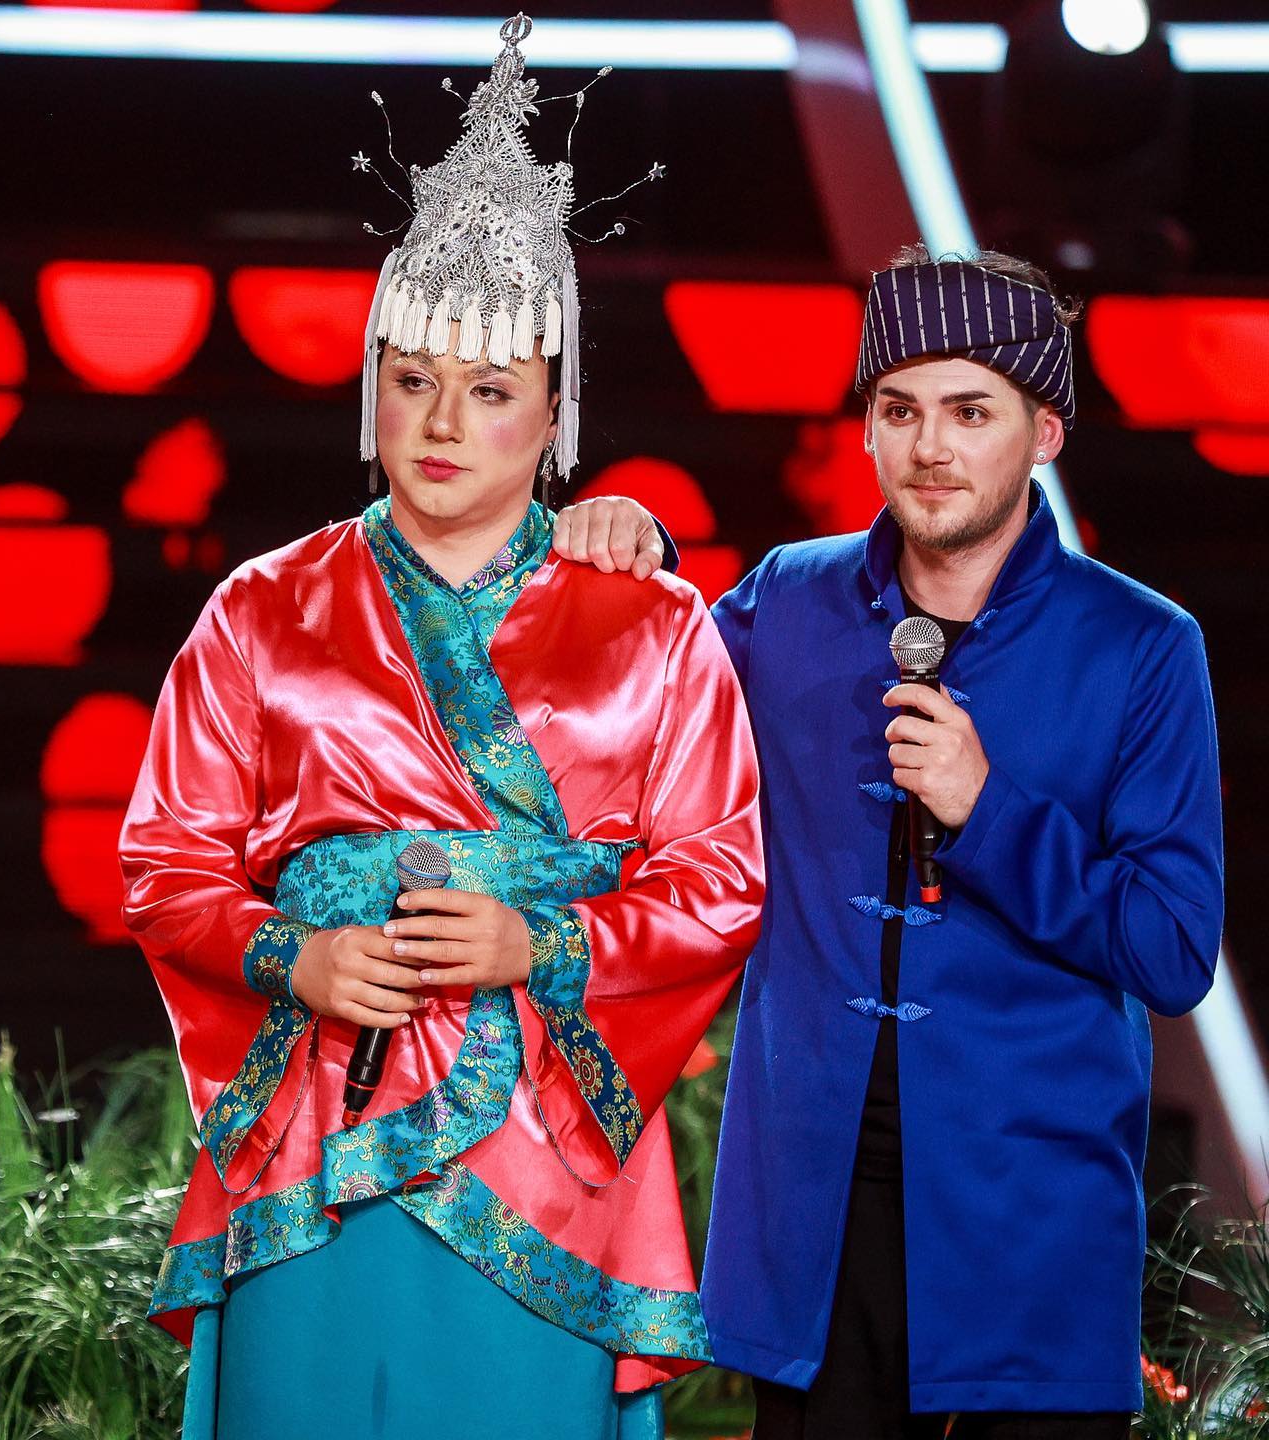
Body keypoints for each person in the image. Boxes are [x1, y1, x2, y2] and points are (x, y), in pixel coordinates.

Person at [118, 16, 763, 1440]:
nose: (443, 425)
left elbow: (720, 885)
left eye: (490, 391)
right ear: (372, 385)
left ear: (557, 411)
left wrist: (538, 944)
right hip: (313, 1133)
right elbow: (167, 866)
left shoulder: (657, 622)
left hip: (544, 1147)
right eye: (413, 380)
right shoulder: (259, 607)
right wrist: (297, 956)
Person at [553, 245, 1224, 1439]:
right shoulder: (783, 599)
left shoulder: (1142, 646)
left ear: (1045, 432)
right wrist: (628, 550)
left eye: (971, 412)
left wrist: (989, 810)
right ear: (865, 428)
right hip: (814, 1219)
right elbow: (616, 739)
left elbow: (1174, 948)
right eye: (900, 410)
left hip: (1032, 1224)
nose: (930, 447)